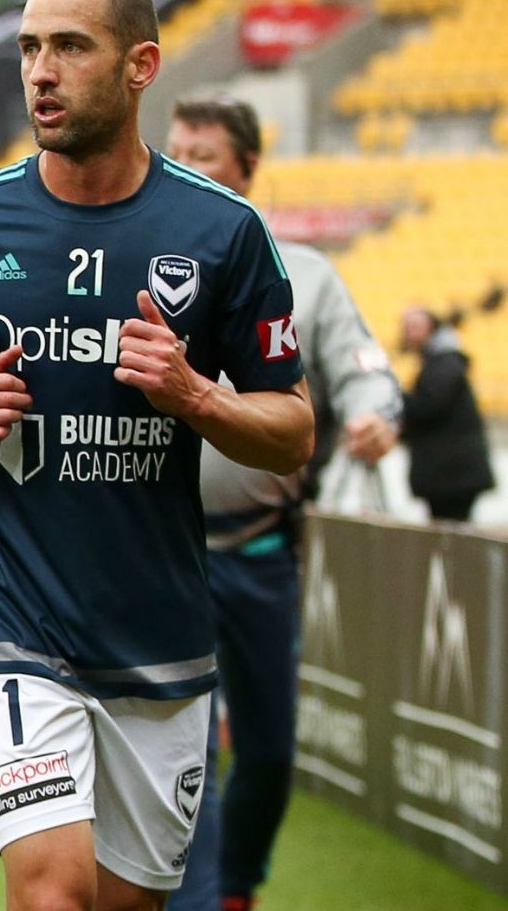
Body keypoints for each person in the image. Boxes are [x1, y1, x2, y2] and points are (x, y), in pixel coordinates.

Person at [0, 0, 313, 911]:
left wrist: (199, 397)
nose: (41, 70)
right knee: (50, 894)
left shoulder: (223, 231)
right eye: (31, 47)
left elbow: (292, 431)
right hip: (12, 618)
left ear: (141, 64)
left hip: (160, 634)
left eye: (70, 46)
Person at [165, 92, 401, 911]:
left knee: (266, 749)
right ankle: (195, 900)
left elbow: (364, 365)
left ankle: (237, 888)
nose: (186, 168)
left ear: (249, 168)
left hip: (264, 548)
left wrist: (376, 411)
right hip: (164, 548)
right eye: (178, 151)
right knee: (183, 744)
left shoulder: (306, 273)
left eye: (205, 155)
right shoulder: (140, 257)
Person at [398, 305, 494, 522]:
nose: (408, 333)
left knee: (451, 532)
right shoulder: (439, 362)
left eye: (414, 326)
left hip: (452, 475)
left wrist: (397, 396)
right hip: (448, 474)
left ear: (431, 327)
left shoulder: (445, 362)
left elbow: (428, 406)